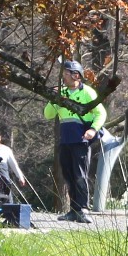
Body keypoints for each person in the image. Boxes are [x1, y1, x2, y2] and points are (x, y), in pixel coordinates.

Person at [44, 60, 106, 222]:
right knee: (68, 175)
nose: (63, 77)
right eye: (63, 74)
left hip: (81, 140)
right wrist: (53, 98)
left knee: (80, 174)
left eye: (66, 74)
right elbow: (48, 114)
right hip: (65, 140)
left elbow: (101, 113)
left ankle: (83, 209)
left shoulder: (87, 92)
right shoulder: (61, 92)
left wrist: (92, 130)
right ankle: (73, 210)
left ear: (76, 75)